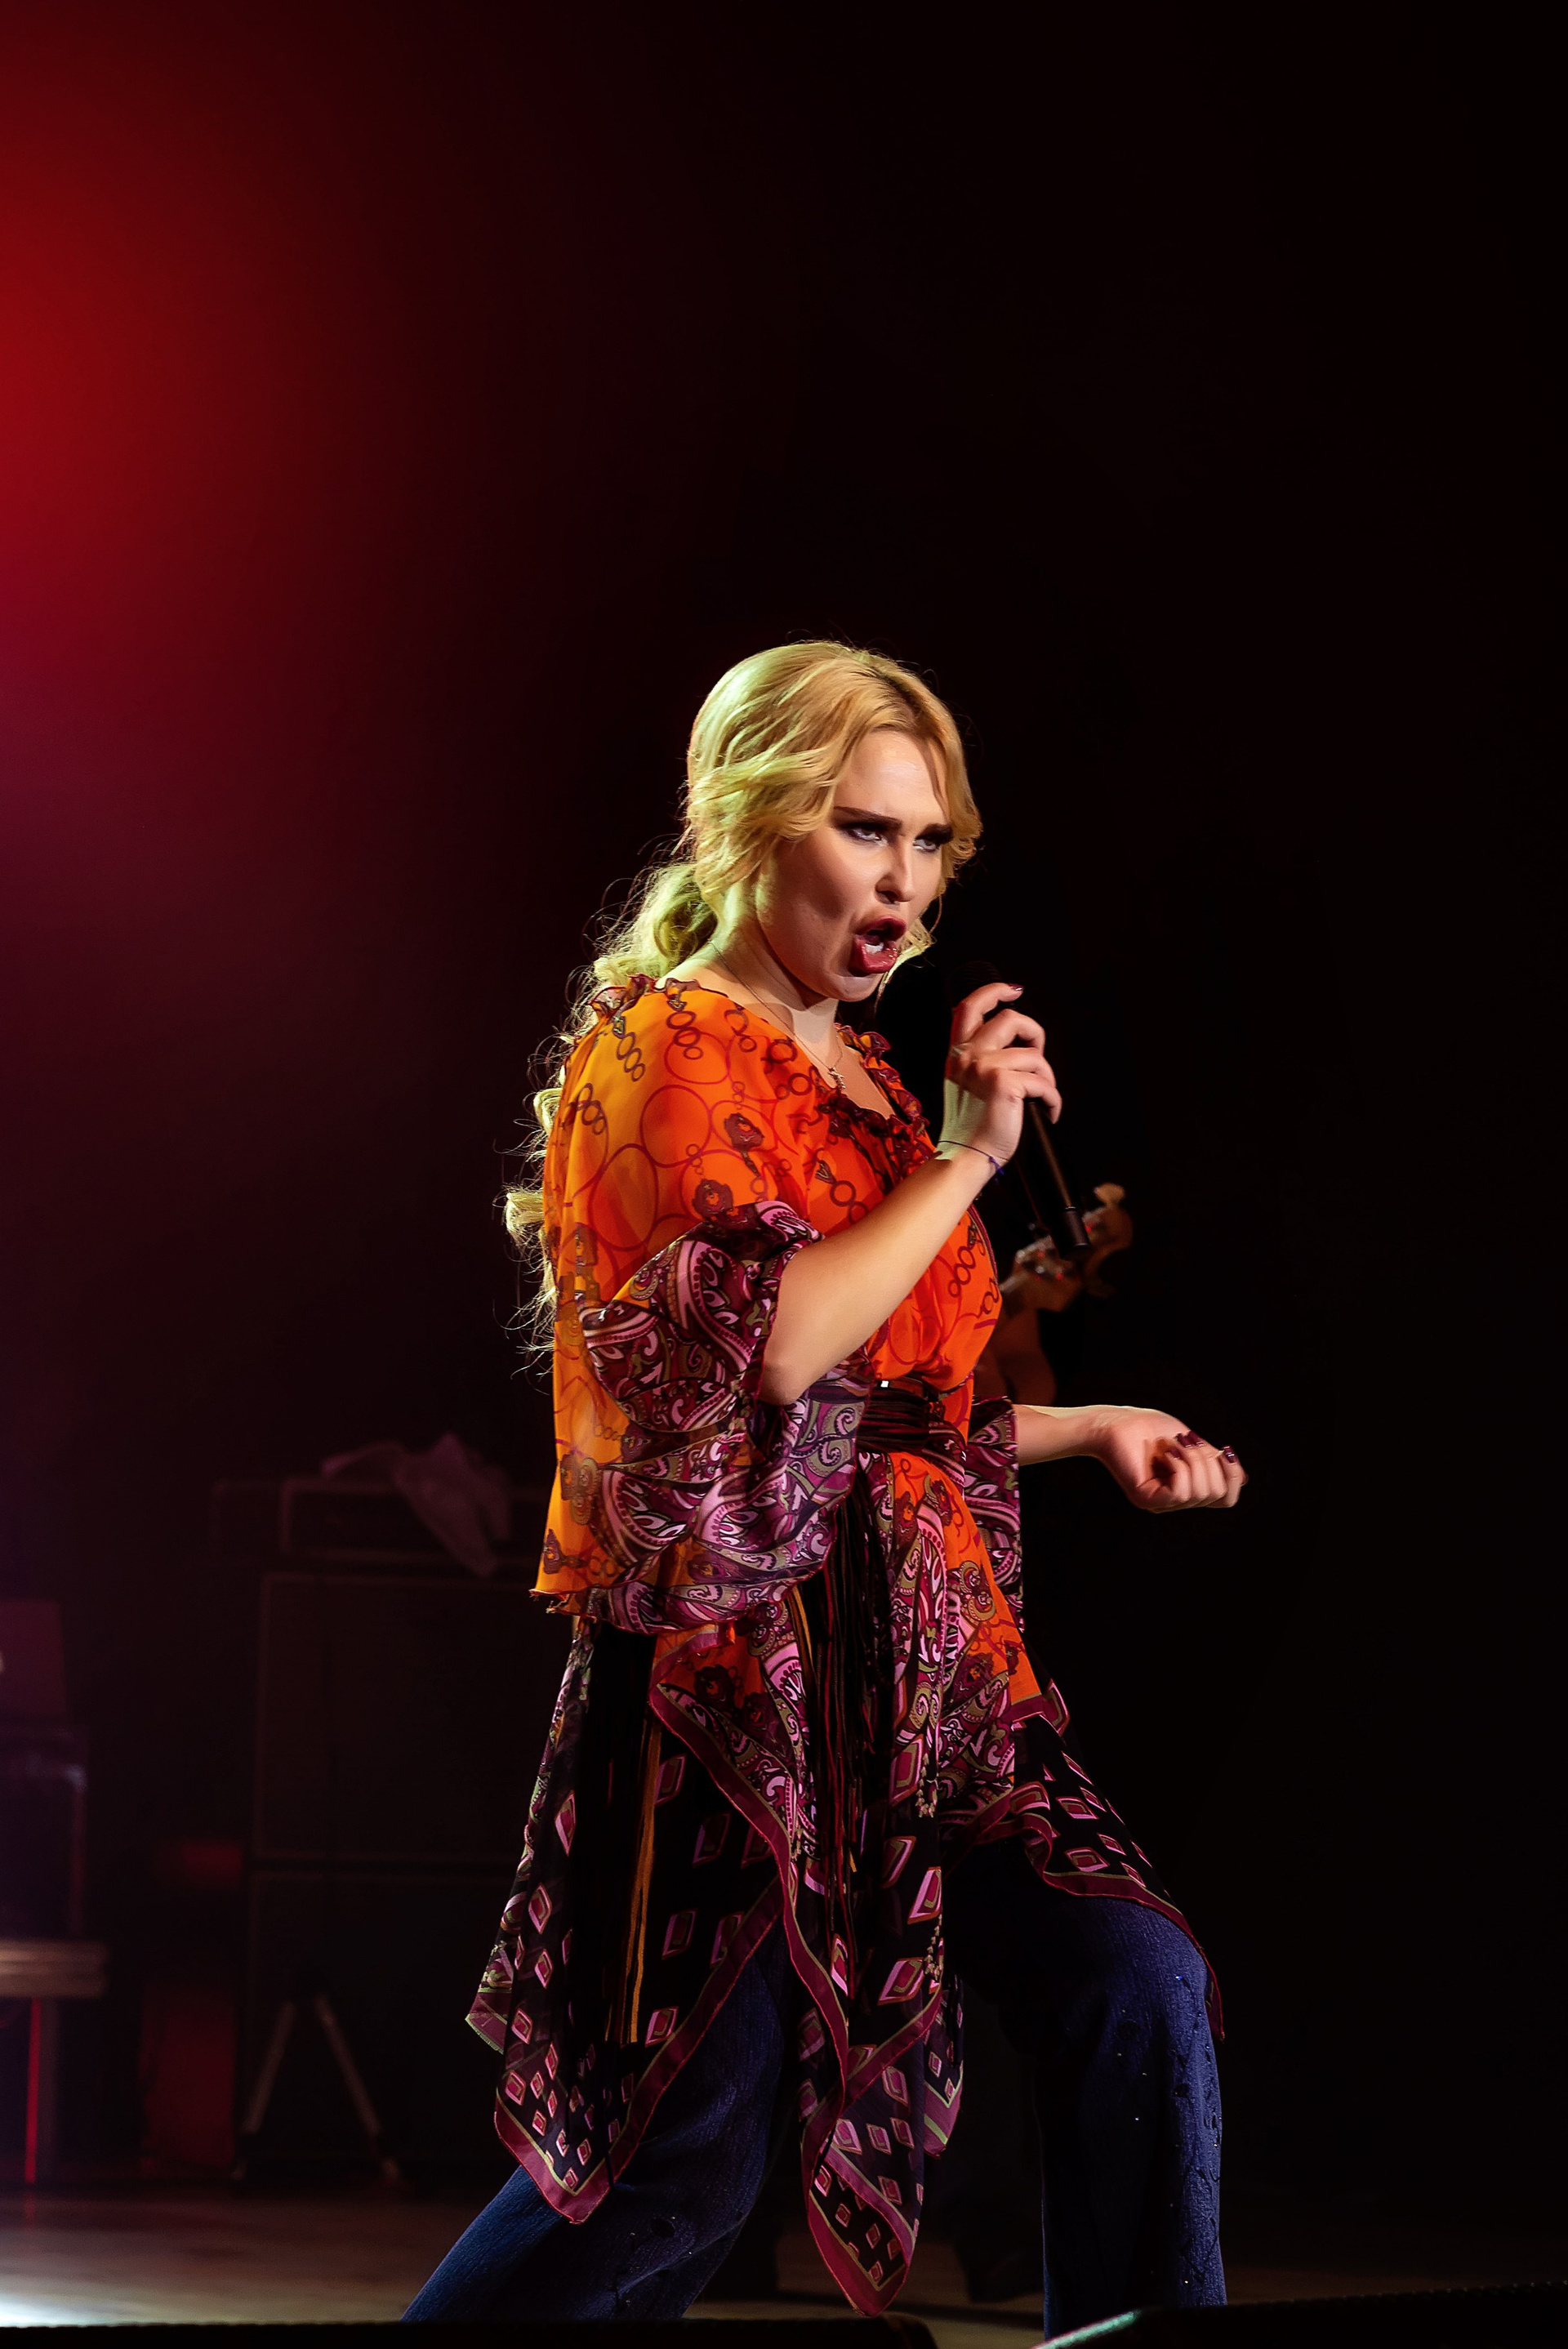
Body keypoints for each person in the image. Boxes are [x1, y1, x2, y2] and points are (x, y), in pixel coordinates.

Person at [405, 642, 1244, 2337]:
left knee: (1134, 1979)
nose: (905, 883)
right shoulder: (664, 1054)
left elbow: (891, 1417)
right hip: (736, 1693)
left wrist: (1090, 1428)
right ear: (747, 823)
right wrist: (968, 1157)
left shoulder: (875, 1084)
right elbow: (780, 1353)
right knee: (686, 2156)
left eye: (930, 844)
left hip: (932, 1685)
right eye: (866, 831)